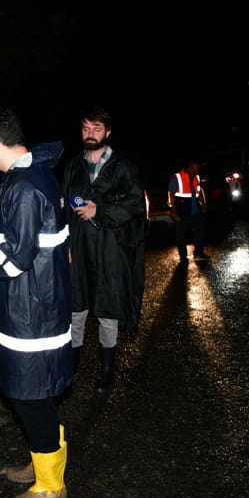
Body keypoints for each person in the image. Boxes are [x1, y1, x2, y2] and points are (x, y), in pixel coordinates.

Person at [0, 107, 73, 498]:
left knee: (32, 397)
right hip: (27, 307)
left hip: (31, 315)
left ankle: (51, 485)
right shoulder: (29, 175)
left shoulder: (24, 187)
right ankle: (41, 461)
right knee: (34, 396)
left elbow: (15, 261)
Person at [62, 108, 146, 394]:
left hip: (110, 246)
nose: (90, 134)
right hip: (79, 247)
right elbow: (61, 208)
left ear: (107, 132)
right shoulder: (73, 166)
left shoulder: (123, 166)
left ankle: (107, 371)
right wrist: (66, 245)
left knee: (108, 308)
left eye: (96, 128)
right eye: (85, 128)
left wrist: (101, 210)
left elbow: (135, 203)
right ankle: (69, 369)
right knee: (76, 308)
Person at [169, 159, 210, 262]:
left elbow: (199, 191)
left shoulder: (196, 177)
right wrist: (174, 211)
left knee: (199, 232)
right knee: (181, 234)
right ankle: (183, 257)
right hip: (182, 211)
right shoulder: (177, 178)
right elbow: (172, 195)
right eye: (195, 170)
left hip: (195, 211)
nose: (197, 172)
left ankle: (199, 253)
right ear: (189, 168)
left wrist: (203, 204)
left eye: (198, 170)